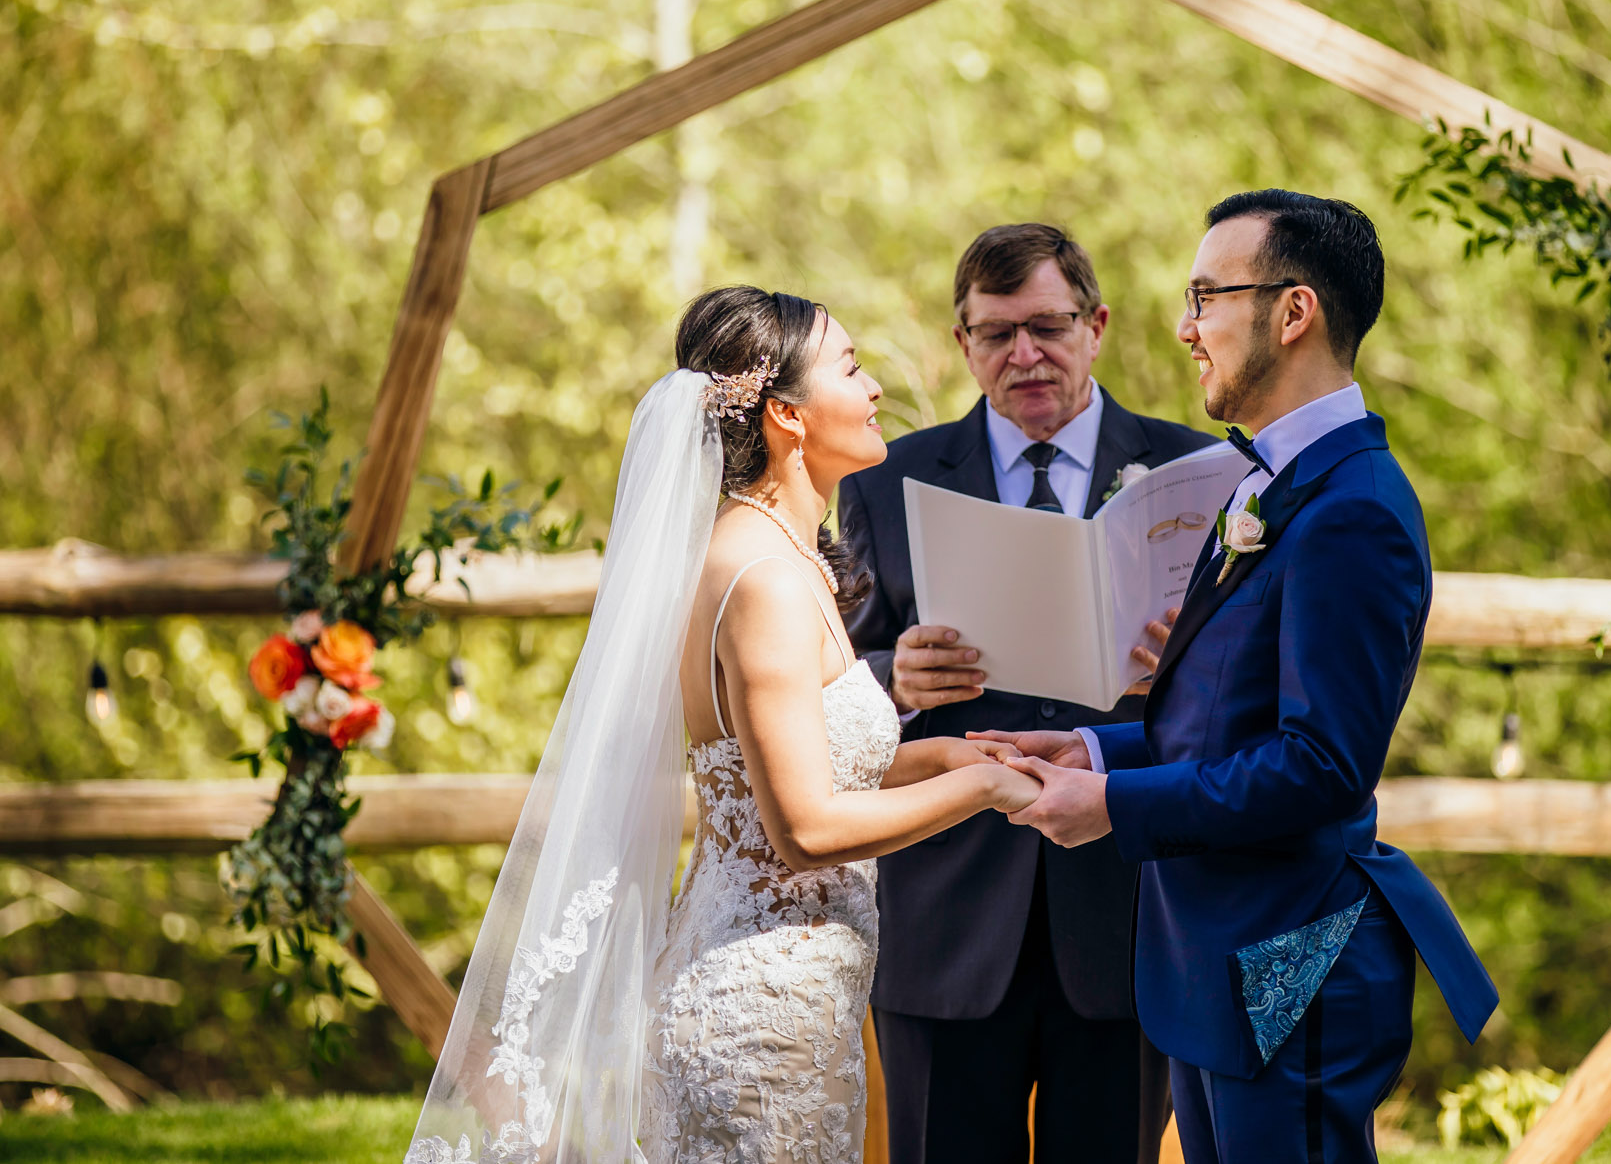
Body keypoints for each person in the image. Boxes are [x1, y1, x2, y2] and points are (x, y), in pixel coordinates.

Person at [404, 287, 1043, 1164]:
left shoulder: (782, 553)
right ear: (788, 414)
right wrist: (985, 789)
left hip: (797, 1006)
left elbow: (814, 766)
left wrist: (962, 755)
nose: (875, 389)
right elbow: (806, 826)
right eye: (851, 369)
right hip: (757, 1024)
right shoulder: (764, 582)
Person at [982, 192, 1499, 1164]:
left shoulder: (1352, 510)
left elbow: (1318, 766)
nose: (1184, 329)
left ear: (1291, 312)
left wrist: (1110, 805)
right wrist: (1093, 747)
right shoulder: (1265, 485)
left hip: (1289, 963)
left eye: (1204, 297)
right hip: (1219, 959)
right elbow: (1231, 721)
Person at [838, 224, 1210, 1164]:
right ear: (963, 344)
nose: (1025, 354)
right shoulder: (889, 480)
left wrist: (1189, 668)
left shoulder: (1195, 473)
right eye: (996, 333)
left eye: (1047, 324)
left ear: (1098, 325)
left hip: (1128, 908)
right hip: (945, 912)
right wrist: (895, 680)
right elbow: (826, 674)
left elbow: (1248, 684)